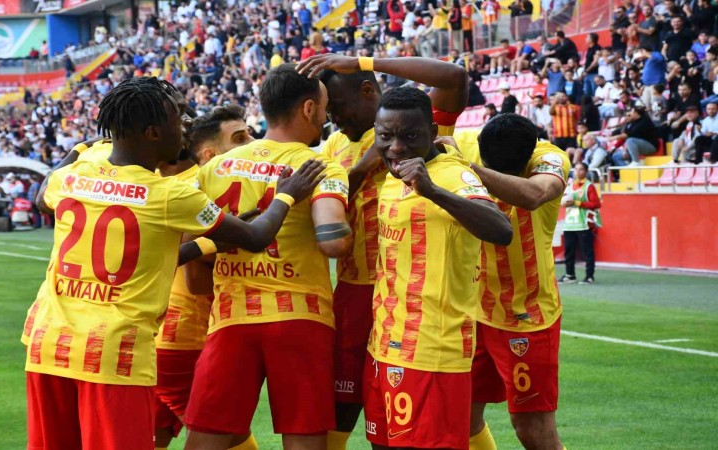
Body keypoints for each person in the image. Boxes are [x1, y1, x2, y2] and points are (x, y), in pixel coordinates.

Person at [23, 77, 325, 450]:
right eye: (177, 119)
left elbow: (43, 196)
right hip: (112, 351)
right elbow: (257, 236)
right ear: (153, 132)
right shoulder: (170, 194)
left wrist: (79, 148)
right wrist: (286, 196)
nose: (185, 128)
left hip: (47, 344)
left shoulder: (78, 170)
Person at [295, 53, 469, 450]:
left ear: (367, 90)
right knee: (343, 406)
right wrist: (361, 168)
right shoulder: (334, 145)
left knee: (428, 417)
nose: (332, 118)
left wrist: (362, 61)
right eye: (327, 111)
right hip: (355, 290)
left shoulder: (413, 129)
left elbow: (454, 78)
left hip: (415, 300)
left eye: (337, 107)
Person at [184, 64, 353, 450]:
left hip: (231, 317)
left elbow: (193, 253)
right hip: (301, 316)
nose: (326, 115)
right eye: (324, 106)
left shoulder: (214, 167)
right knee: (304, 439)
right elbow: (332, 241)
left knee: (207, 438)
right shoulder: (320, 166)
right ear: (309, 109)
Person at [364, 86, 513, 450]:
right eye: (386, 136)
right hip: (383, 344)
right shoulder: (390, 177)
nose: (396, 147)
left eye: (410, 136)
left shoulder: (451, 175)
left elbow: (501, 229)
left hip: (432, 352)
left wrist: (432, 191)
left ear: (432, 133)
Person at [153, 105, 257, 450]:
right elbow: (196, 281)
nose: (253, 145)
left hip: (162, 333)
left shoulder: (169, 182)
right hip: (183, 337)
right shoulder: (196, 187)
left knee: (152, 437)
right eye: (240, 138)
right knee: (225, 436)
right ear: (209, 153)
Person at [467, 113, 571, 450]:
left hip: (527, 316)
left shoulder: (550, 157)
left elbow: (535, 194)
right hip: (475, 310)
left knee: (532, 430)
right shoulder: (469, 143)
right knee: (462, 417)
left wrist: (472, 170)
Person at [560, 163, 602, 284]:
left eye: (581, 169)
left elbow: (596, 204)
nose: (577, 172)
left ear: (586, 172)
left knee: (587, 251)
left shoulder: (589, 186)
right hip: (569, 224)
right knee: (569, 251)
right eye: (576, 169)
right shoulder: (569, 185)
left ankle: (589, 276)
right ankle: (570, 275)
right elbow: (564, 201)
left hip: (583, 224)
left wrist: (578, 203)